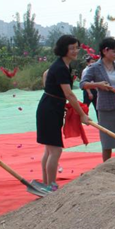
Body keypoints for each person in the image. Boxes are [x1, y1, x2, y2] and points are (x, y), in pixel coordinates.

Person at [36, 35, 91, 190]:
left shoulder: (64, 66)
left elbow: (47, 74)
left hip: (52, 107)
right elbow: (69, 94)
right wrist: (82, 114)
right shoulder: (60, 67)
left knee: (49, 149)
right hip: (50, 110)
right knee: (55, 150)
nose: (75, 51)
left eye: (76, 47)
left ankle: (47, 184)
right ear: (63, 49)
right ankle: (51, 185)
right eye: (71, 48)